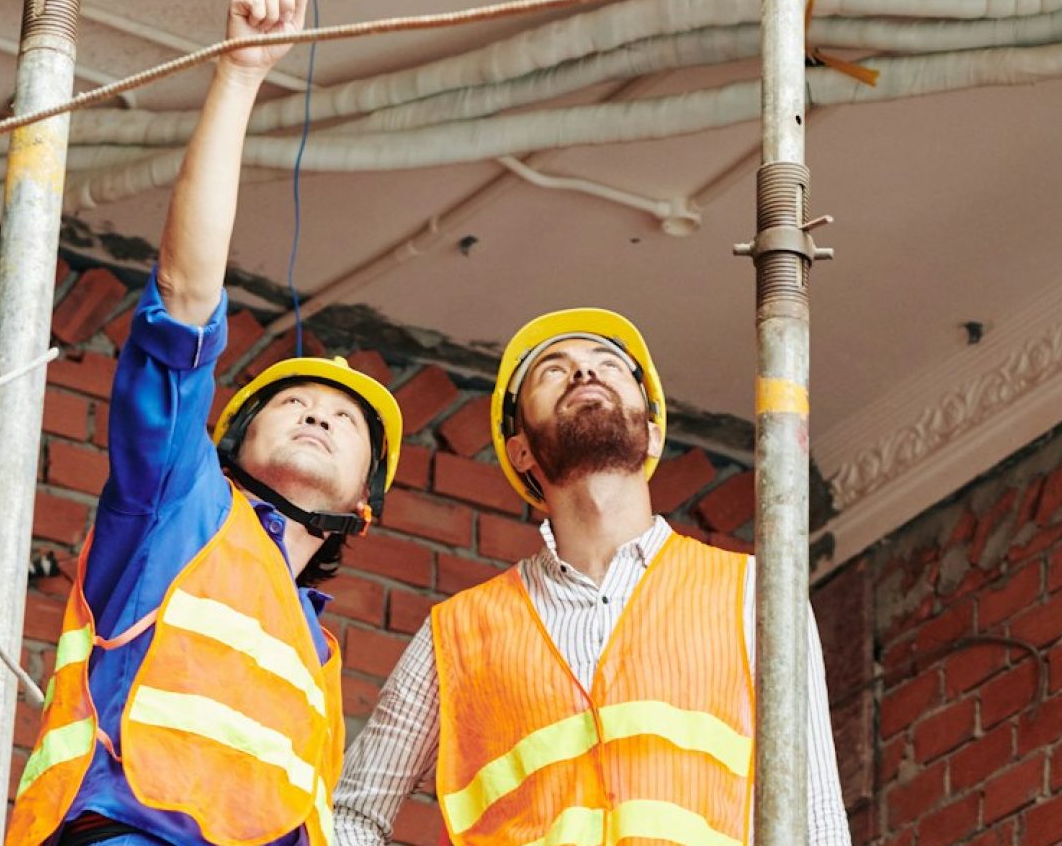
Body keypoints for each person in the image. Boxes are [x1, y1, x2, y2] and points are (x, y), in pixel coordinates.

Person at [8, 0, 404, 846]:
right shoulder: (175, 505)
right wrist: (240, 76)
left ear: (365, 505)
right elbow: (185, 300)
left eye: (346, 420)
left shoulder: (316, 663)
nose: (317, 410)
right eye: (293, 402)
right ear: (230, 443)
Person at [334, 310, 852, 845]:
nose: (585, 373)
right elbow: (352, 815)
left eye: (608, 364)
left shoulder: (754, 592)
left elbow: (815, 816)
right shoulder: (459, 633)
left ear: (652, 436)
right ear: (521, 452)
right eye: (553, 371)